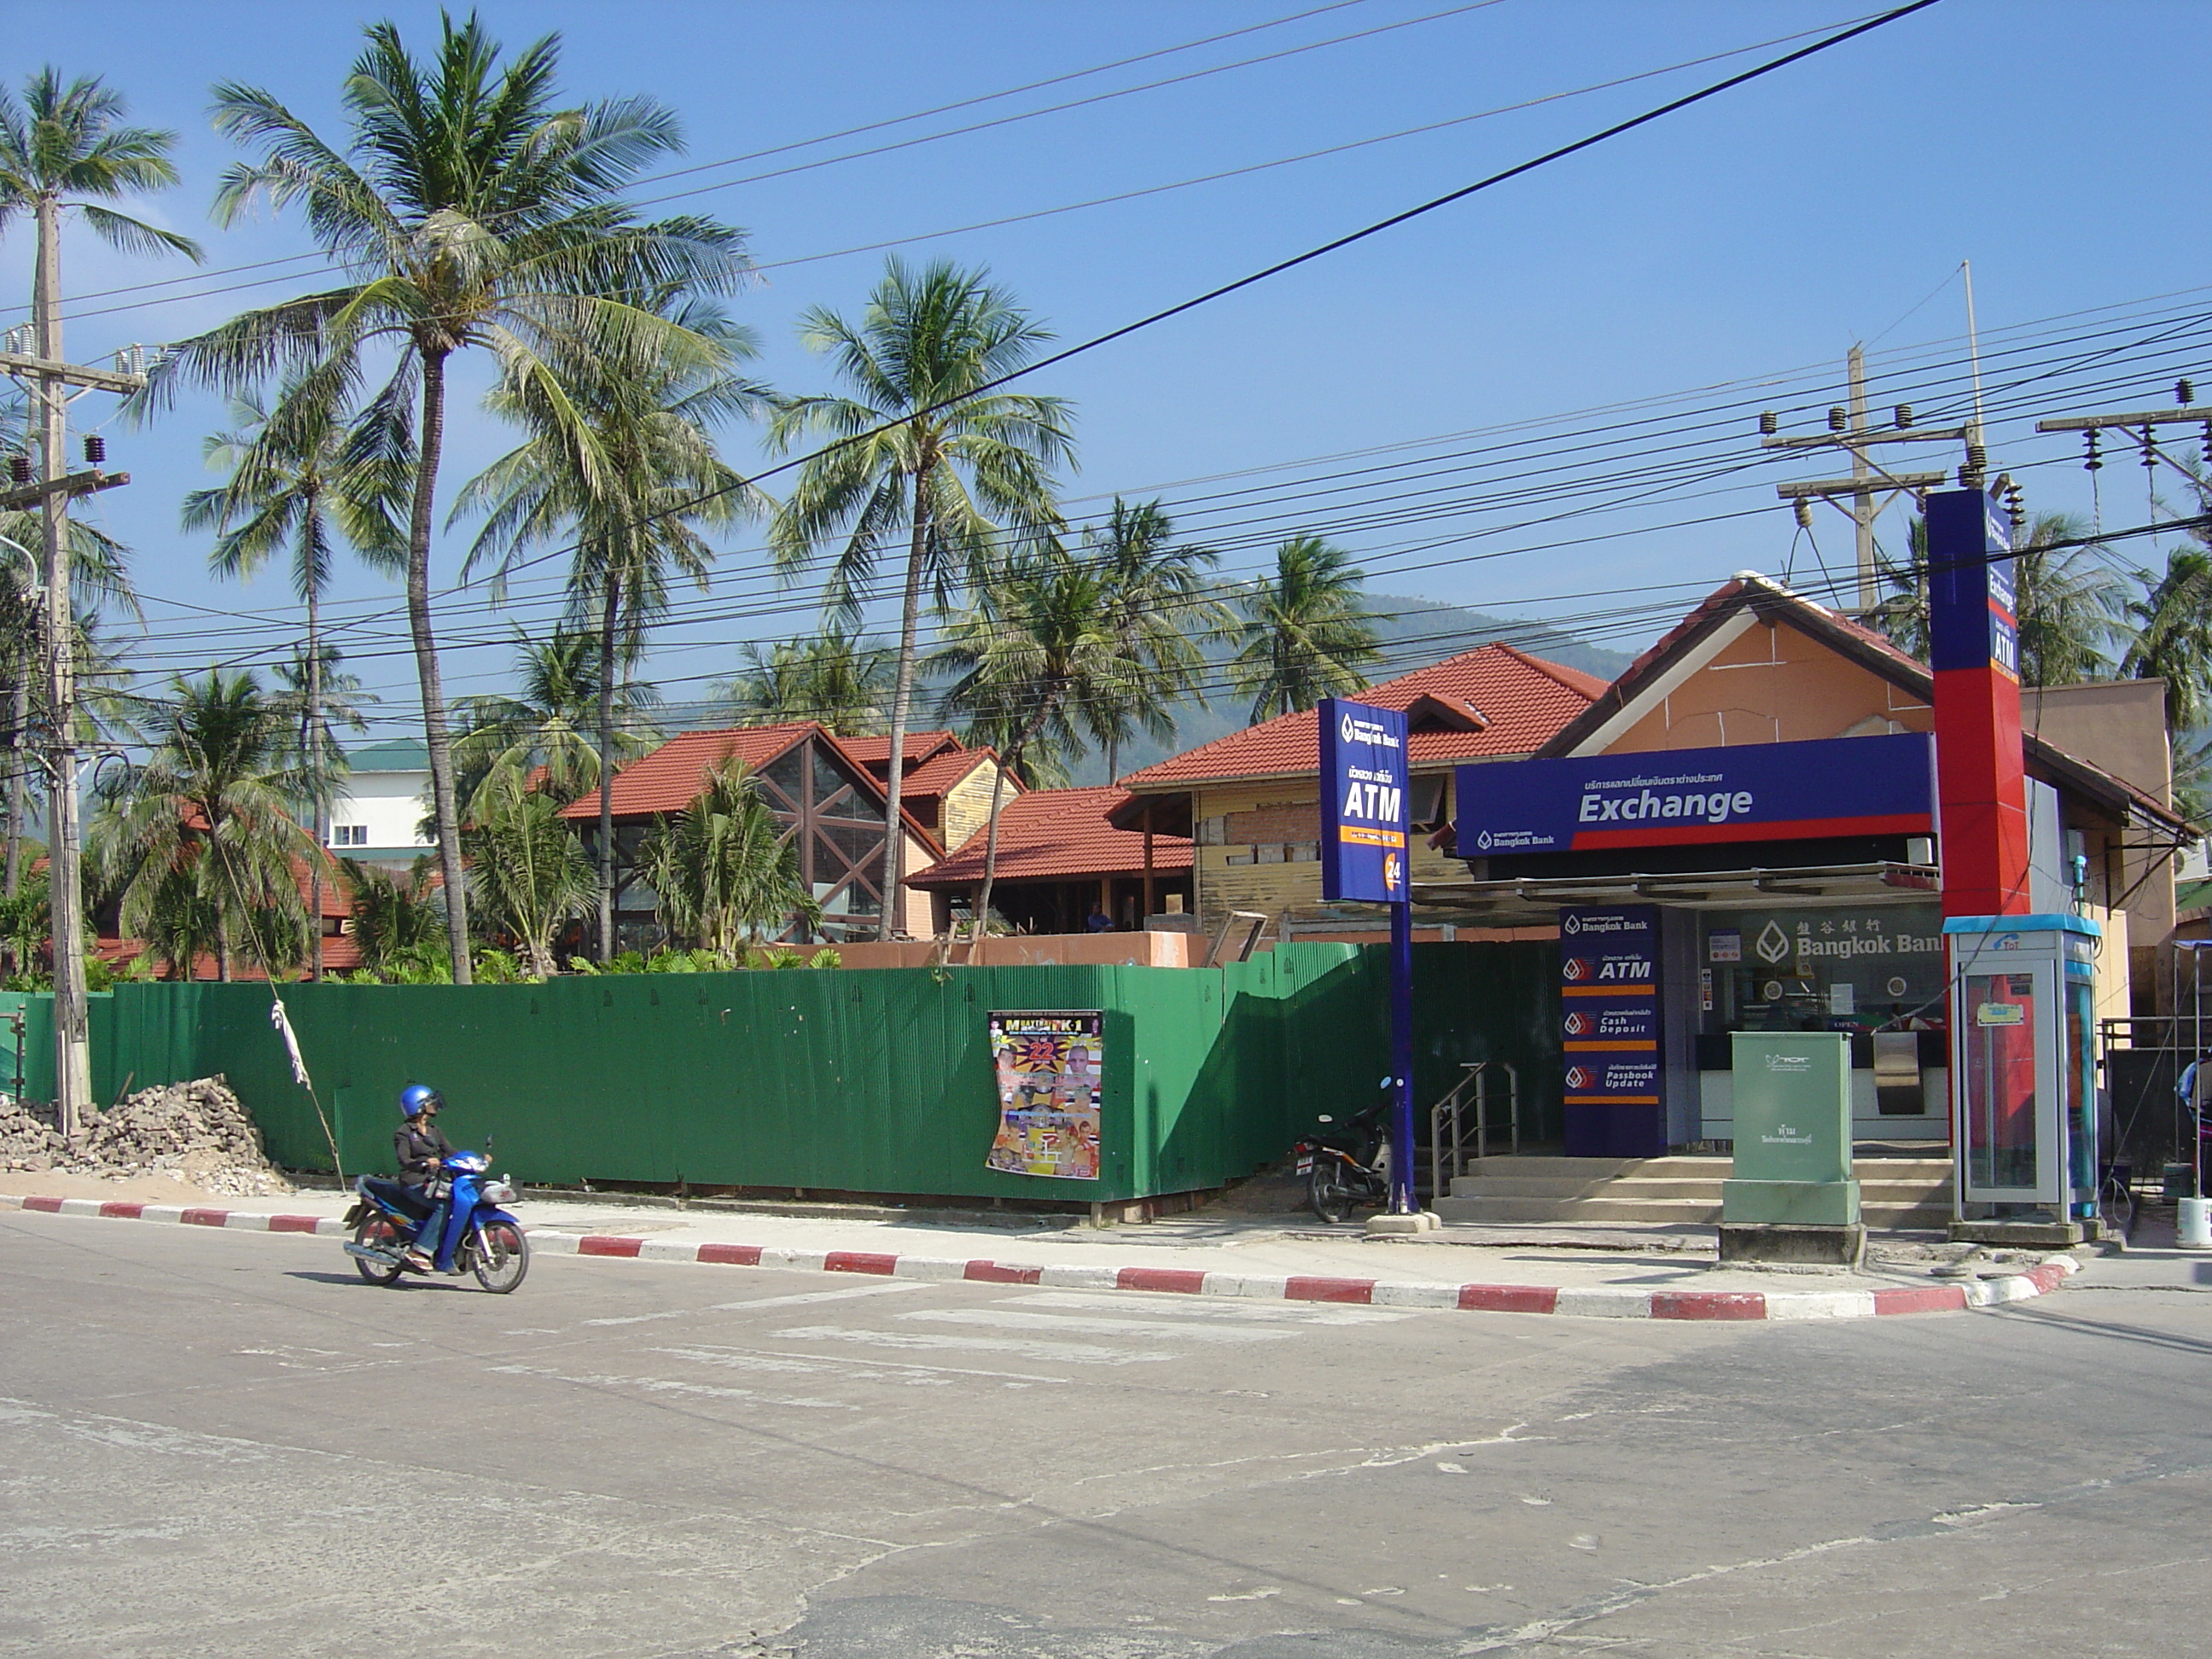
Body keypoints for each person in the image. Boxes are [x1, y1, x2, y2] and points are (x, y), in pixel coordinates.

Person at [393, 1085, 453, 1272]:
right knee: (442, 1206)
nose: (434, 1105)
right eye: (429, 1102)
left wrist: (475, 1160)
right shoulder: (403, 1132)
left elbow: (450, 1152)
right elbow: (404, 1160)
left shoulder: (435, 1131)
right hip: (414, 1182)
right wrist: (426, 1162)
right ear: (417, 1106)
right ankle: (419, 1252)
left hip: (434, 1182)